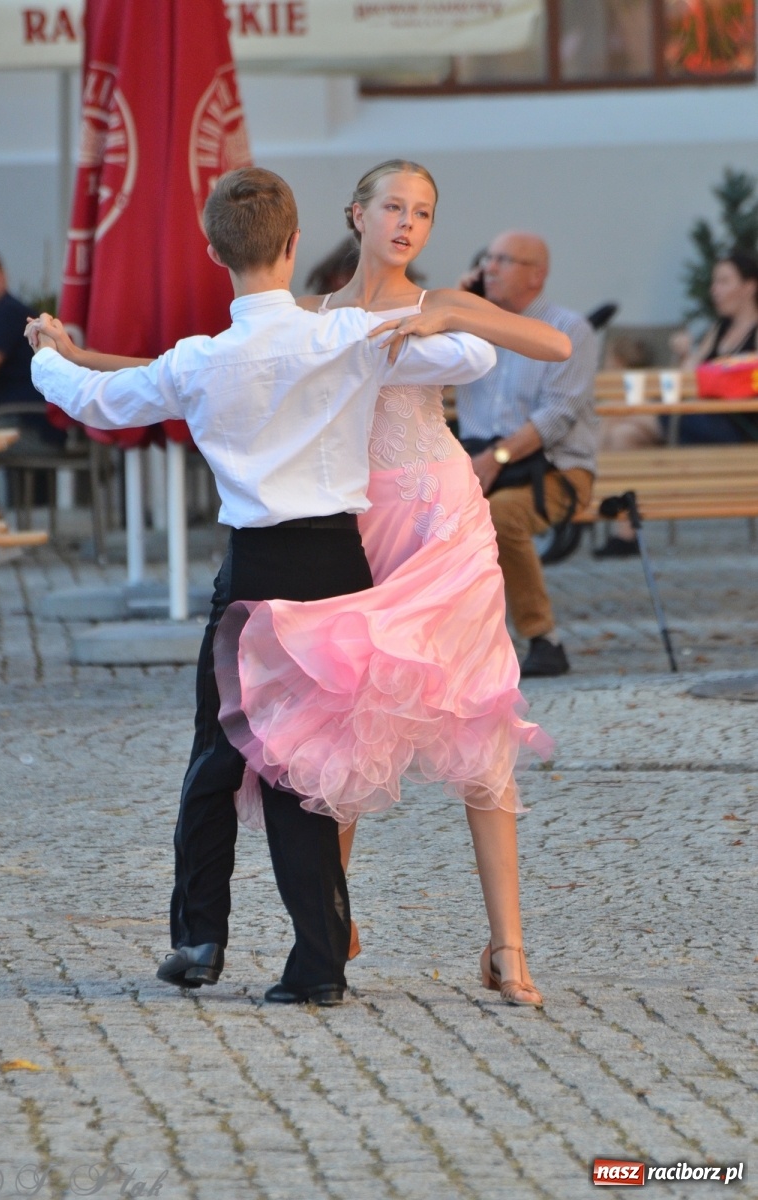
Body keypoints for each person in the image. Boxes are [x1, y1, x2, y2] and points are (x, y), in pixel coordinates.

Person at [25, 166, 501, 1008]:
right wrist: (418, 319)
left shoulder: (203, 360)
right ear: (292, 244)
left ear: (214, 251)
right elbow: (474, 353)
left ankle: (200, 937)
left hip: (255, 571)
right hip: (336, 569)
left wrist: (46, 358)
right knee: (309, 767)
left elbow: (96, 402)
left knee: (219, 754)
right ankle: (318, 965)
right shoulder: (347, 336)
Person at [214, 161, 572, 1006]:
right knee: (344, 723)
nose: (407, 224)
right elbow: (204, 360)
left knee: (480, 717)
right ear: (356, 215)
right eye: (393, 209)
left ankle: (507, 948)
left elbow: (554, 345)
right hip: (361, 527)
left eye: (422, 213)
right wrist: (80, 356)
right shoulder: (313, 316)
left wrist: (444, 310)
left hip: (445, 523)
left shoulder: (438, 299)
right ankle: (329, 925)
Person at [455, 231, 598, 677]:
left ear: (536, 275)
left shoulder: (568, 329)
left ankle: (544, 641)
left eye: (504, 260)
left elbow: (558, 415)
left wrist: (494, 461)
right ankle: (447, 645)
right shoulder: (472, 325)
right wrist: (456, 308)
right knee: (409, 513)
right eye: (488, 258)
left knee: (499, 516)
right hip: (475, 462)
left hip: (556, 470)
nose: (489, 268)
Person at [0, 247, 65, 454]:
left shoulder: (6, 314)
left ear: (2, 277)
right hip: (38, 425)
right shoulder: (9, 313)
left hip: (28, 426)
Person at [670, 249, 758, 445]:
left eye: (724, 282)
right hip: (704, 417)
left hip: (740, 426)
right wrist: (686, 354)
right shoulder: (718, 329)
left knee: (656, 419)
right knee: (623, 432)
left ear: (749, 287)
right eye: (714, 282)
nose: (714, 290)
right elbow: (690, 375)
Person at [594, 333, 662, 559]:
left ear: (617, 362)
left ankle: (623, 527)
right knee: (617, 429)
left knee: (618, 429)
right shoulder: (644, 388)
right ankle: (622, 525)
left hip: (651, 446)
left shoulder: (638, 390)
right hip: (633, 442)